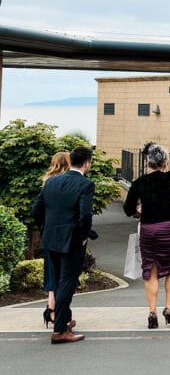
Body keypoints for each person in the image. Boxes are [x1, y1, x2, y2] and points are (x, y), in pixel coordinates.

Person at [122, 136, 170, 328]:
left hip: (148, 229)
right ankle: (168, 308)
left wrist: (138, 211)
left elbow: (128, 208)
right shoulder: (168, 178)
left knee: (151, 270)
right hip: (169, 228)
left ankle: (152, 311)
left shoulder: (139, 183)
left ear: (148, 162)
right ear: (165, 162)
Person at [32, 146, 94, 344]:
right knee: (66, 282)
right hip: (72, 241)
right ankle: (59, 331)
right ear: (86, 163)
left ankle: (63, 321)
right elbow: (85, 215)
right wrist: (83, 237)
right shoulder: (85, 184)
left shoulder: (51, 181)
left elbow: (36, 209)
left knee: (58, 281)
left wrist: (45, 229)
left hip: (50, 239)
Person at [40, 151, 70, 328]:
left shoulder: (47, 182)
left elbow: (39, 209)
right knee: (62, 276)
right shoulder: (66, 183)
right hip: (62, 235)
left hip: (48, 234)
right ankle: (54, 312)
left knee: (52, 273)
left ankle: (51, 310)